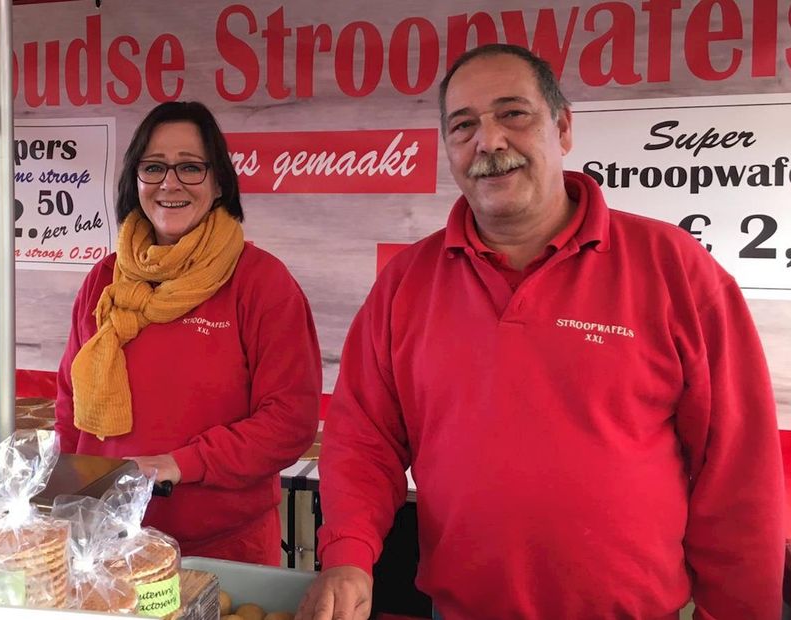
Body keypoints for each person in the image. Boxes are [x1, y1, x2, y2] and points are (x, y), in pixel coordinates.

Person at [298, 44, 784, 620]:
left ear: (564, 127)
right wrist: (348, 555)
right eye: (463, 126)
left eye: (513, 113)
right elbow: (363, 440)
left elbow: (737, 471)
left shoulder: (673, 267)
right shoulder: (406, 283)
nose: (490, 141)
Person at [55, 101, 321, 565]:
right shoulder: (105, 280)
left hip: (221, 552)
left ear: (219, 182)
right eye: (153, 167)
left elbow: (290, 419)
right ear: (134, 180)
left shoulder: (261, 282)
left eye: (190, 168)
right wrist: (64, 503)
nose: (169, 183)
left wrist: (181, 463)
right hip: (107, 545)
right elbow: (68, 404)